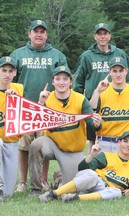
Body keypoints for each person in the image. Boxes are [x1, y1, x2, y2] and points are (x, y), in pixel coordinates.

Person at [10, 19, 68, 192]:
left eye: (42, 31)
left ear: (46, 35)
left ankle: (42, 180)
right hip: (24, 106)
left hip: (48, 107)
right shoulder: (18, 54)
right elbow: (10, 79)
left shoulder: (57, 55)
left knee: (42, 144)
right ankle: (22, 181)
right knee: (24, 146)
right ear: (29, 34)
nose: (39, 34)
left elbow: (65, 79)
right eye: (36, 31)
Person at [28, 65, 101, 195]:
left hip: (73, 150)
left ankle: (59, 178)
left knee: (71, 189)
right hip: (52, 144)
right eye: (58, 79)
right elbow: (35, 123)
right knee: (35, 145)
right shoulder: (47, 98)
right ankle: (35, 188)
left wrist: (97, 123)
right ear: (53, 81)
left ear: (70, 82)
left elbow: (91, 122)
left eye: (65, 79)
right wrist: (40, 103)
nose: (61, 82)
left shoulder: (80, 99)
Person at [38, 131, 129, 203]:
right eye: (125, 141)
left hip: (103, 191)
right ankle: (53, 194)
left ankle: (76, 198)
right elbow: (82, 169)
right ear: (119, 142)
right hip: (92, 182)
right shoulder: (106, 156)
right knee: (93, 175)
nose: (128, 145)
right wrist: (91, 155)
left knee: (117, 192)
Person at [73, 23, 129, 147]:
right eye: (99, 34)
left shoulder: (120, 54)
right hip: (94, 103)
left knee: (120, 138)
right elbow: (79, 82)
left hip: (116, 103)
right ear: (95, 36)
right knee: (94, 142)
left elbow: (128, 78)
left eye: (105, 34)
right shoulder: (86, 56)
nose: (102, 37)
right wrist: (78, 103)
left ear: (109, 36)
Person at [90, 57, 129, 161]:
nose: (118, 74)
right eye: (115, 71)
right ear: (110, 73)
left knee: (128, 176)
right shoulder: (102, 91)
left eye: (121, 71)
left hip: (126, 144)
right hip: (104, 143)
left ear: (126, 71)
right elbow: (91, 110)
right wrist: (97, 91)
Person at [0, 56, 23, 202]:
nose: (7, 74)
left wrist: (15, 100)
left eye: (10, 71)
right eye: (3, 70)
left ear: (15, 73)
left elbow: (25, 113)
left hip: (12, 141)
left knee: (8, 192)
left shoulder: (18, 88)